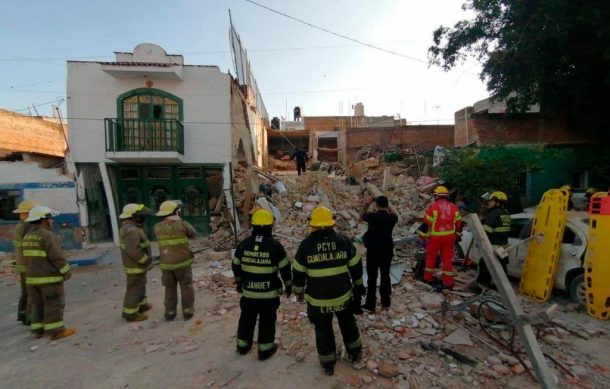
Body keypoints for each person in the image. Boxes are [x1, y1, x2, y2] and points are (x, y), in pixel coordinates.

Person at [293, 206, 365, 376]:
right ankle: (355, 353)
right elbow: (356, 266)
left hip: (318, 301)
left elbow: (298, 272)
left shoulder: (306, 245)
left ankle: (328, 364)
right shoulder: (343, 241)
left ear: (314, 225)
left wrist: (298, 291)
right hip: (343, 297)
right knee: (348, 324)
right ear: (332, 224)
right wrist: (358, 286)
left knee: (323, 329)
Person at [232, 209, 292, 360]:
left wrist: (239, 283)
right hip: (268, 294)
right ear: (270, 226)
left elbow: (236, 265)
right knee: (267, 320)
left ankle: (242, 346)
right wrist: (289, 286)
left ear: (253, 226)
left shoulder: (244, 244)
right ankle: (265, 350)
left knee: (246, 318)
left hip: (248, 293)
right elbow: (285, 269)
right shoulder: (275, 246)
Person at [22, 205, 75, 340]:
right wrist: (66, 271)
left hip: (32, 279)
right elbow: (56, 256)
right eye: (50, 219)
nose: (51, 221)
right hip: (48, 278)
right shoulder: (47, 235)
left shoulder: (28, 236)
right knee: (54, 303)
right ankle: (56, 331)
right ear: (44, 220)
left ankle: (38, 330)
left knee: (38, 305)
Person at [153, 200, 197, 321]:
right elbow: (193, 234)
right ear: (175, 211)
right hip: (182, 264)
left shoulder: (157, 227)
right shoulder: (182, 224)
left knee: (169, 288)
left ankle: (170, 312)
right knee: (186, 286)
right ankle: (188, 311)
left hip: (166, 265)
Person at [360, 195, 398, 312]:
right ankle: (386, 303)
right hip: (387, 250)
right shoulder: (392, 218)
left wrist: (367, 203)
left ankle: (370, 305)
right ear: (387, 205)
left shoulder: (372, 216)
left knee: (372, 277)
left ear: (376, 205)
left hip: (373, 250)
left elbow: (361, 216)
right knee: (385, 276)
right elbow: (394, 213)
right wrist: (388, 206)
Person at [420, 186, 462, 290]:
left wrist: (422, 237)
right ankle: (448, 283)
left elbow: (426, 224)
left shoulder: (434, 207)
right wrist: (458, 235)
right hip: (449, 238)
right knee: (447, 259)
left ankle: (427, 278)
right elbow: (459, 224)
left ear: (437, 196)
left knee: (431, 258)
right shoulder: (454, 207)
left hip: (436, 238)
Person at [118, 203, 153, 322]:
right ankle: (131, 314)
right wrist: (145, 260)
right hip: (135, 266)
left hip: (138, 266)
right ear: (133, 217)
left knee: (141, 284)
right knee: (134, 288)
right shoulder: (131, 231)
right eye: (140, 216)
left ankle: (142, 305)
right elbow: (134, 250)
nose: (142, 218)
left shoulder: (132, 228)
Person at [472, 191, 511, 291]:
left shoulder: (493, 214)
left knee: (484, 264)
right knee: (501, 267)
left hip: (493, 245)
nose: (489, 203)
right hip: (503, 246)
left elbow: (486, 231)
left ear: (498, 202)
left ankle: (480, 287)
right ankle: (502, 287)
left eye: (492, 201)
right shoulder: (506, 214)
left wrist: (480, 242)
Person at [12, 200, 40, 325]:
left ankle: (22, 314)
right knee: (30, 292)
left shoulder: (20, 227)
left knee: (25, 292)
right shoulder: (26, 227)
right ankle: (29, 317)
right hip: (27, 264)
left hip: (22, 264)